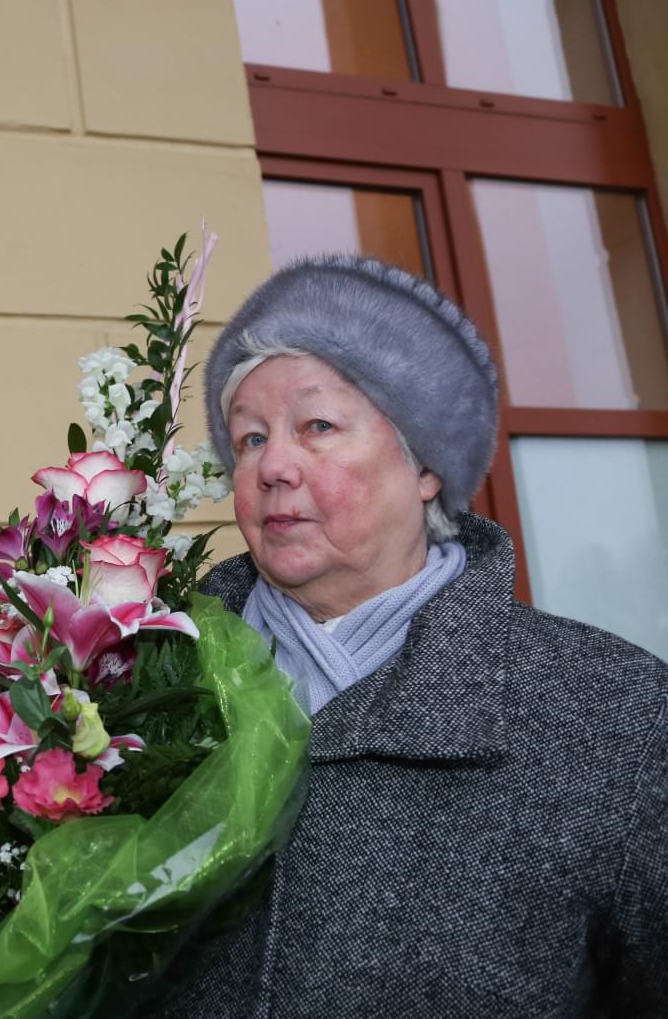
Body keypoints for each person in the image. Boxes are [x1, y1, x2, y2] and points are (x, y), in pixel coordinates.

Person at [145, 256, 667, 1017]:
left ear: (426, 466)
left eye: (317, 426)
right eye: (250, 438)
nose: (271, 465)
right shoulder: (143, 689)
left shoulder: (618, 714)